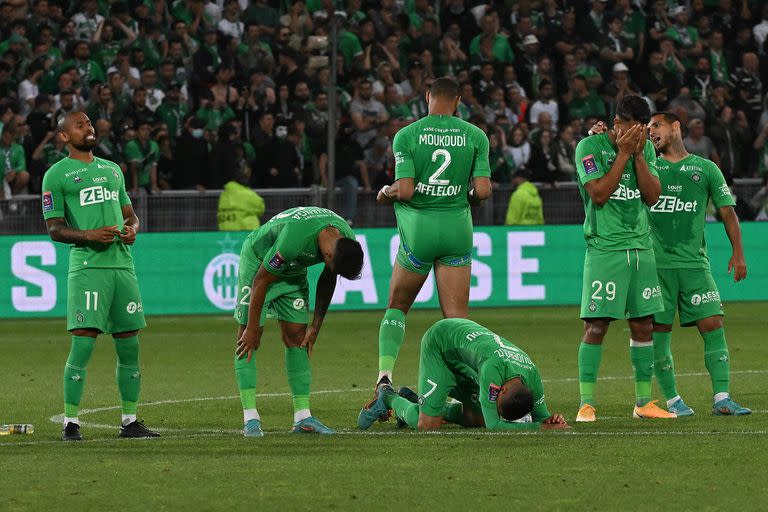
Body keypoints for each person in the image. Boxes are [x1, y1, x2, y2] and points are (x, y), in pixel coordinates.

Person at [370, 77, 491, 410]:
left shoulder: (407, 135)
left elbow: (405, 189)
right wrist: (461, 194)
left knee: (397, 306)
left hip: (419, 232)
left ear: (427, 97)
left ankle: (384, 377)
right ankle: (470, 396)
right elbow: (482, 191)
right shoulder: (475, 135)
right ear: (458, 100)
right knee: (457, 322)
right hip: (456, 231)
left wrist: (386, 192)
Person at [41, 112, 159, 441]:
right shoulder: (56, 175)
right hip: (88, 267)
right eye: (80, 125)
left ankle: (130, 420)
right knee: (83, 343)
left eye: (90, 123)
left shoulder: (112, 170)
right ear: (64, 136)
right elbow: (55, 229)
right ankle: (71, 423)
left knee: (130, 345)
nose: (89, 128)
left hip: (123, 265)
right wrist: (90, 235)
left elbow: (131, 216)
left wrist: (132, 230)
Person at [573, 95, 673, 423]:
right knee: (597, 325)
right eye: (634, 128)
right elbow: (600, 193)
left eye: (643, 129)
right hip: (605, 249)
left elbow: (653, 196)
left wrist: (639, 156)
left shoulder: (643, 149)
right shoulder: (589, 147)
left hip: (641, 249)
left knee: (644, 324)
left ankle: (643, 402)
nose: (640, 135)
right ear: (617, 123)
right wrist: (623, 154)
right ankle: (586, 403)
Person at [646, 112, 750, 416]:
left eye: (657, 125)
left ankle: (722, 399)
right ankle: (673, 401)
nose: (651, 132)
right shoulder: (648, 169)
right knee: (659, 331)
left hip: (694, 264)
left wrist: (738, 253)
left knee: (713, 324)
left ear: (676, 127)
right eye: (649, 128)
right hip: (656, 267)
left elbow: (727, 212)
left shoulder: (705, 169)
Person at [234, 206, 364, 437]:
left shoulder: (346, 241)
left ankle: (303, 417)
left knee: (298, 337)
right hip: (258, 263)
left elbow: (328, 278)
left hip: (293, 272)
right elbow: (261, 281)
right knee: (248, 337)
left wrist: (315, 326)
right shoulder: (295, 238)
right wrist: (254, 328)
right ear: (328, 255)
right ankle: (250, 418)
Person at [358, 318, 570, 432]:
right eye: (495, 400)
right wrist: (538, 428)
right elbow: (494, 426)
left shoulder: (532, 375)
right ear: (502, 388)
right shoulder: (492, 371)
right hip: (440, 345)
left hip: (466, 354)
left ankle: (421, 401)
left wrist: (552, 420)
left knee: (475, 418)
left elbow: (542, 417)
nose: (492, 401)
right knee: (427, 425)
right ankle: (388, 397)